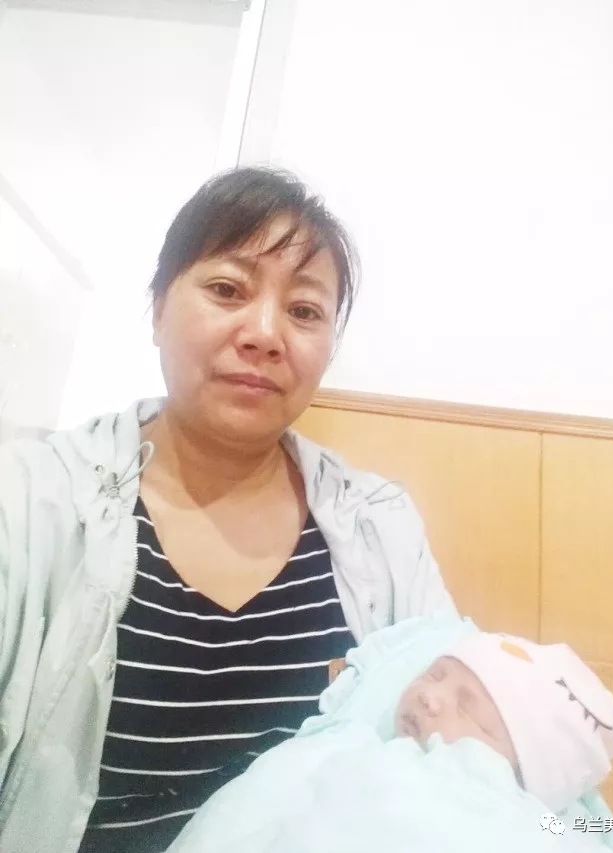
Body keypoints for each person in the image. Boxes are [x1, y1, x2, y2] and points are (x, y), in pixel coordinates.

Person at [0, 166, 458, 853]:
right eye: (227, 289)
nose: (266, 333)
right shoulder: (30, 500)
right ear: (157, 308)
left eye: (304, 311)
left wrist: (574, 830)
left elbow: (470, 756)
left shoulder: (379, 524)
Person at [395, 631, 613, 813]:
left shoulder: (532, 828)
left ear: (521, 780)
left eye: (467, 711)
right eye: (433, 675)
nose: (429, 697)